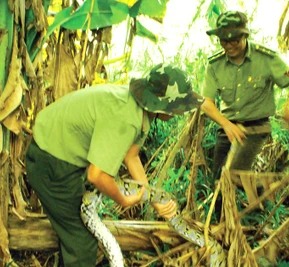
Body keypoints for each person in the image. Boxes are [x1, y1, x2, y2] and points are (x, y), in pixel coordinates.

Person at [25, 63, 205, 267]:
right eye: (177, 107)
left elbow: (132, 157)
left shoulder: (139, 109)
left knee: (73, 231)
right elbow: (96, 175)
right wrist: (124, 200)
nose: (180, 113)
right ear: (161, 103)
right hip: (50, 161)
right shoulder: (126, 119)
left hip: (61, 155)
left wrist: (154, 199)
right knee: (82, 240)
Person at [200, 10, 289, 179]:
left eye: (234, 40)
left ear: (245, 36)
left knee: (234, 177)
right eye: (224, 41)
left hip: (256, 129)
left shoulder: (266, 59)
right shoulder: (215, 65)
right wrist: (226, 125)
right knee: (218, 181)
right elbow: (206, 102)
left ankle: (255, 200)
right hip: (227, 128)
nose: (229, 45)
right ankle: (229, 203)